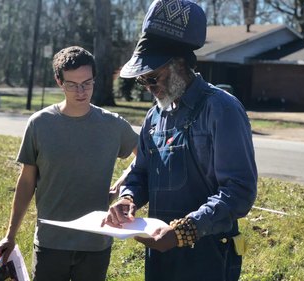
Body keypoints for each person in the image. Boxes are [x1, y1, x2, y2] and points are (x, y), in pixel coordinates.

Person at [102, 1, 257, 281]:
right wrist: (129, 198)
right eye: (142, 81)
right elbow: (141, 172)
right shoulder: (154, 116)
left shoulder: (221, 109)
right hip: (161, 252)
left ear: (181, 64)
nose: (149, 88)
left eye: (153, 77)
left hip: (209, 253)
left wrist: (185, 231)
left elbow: (239, 191)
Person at [0, 46, 138, 281]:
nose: (81, 91)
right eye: (72, 84)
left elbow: (145, 157)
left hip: (96, 243)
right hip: (51, 242)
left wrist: (120, 186)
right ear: (59, 81)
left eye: (87, 83)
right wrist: (10, 235)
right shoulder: (39, 124)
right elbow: (26, 182)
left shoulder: (113, 125)